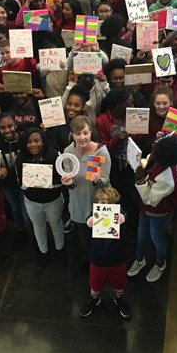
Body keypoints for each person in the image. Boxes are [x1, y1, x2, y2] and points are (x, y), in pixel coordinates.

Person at [128, 134, 177, 283]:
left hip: (160, 210)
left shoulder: (167, 179)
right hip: (146, 207)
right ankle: (140, 259)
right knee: (141, 235)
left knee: (156, 237)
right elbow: (149, 159)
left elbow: (151, 199)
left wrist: (140, 179)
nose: (153, 147)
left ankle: (160, 263)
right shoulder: (160, 156)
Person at [62, 115, 111, 269]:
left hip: (99, 204)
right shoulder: (68, 152)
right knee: (85, 237)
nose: (82, 137)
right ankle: (89, 260)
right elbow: (72, 183)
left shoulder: (101, 153)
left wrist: (97, 180)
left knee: (102, 237)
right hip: (79, 204)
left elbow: (106, 182)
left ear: (91, 132)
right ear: (72, 135)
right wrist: (69, 183)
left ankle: (102, 263)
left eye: (85, 133)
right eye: (78, 134)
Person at [79, 185, 132, 319]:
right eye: (102, 202)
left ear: (115, 203)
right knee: (95, 284)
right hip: (98, 258)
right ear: (98, 203)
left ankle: (119, 298)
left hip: (117, 258)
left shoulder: (120, 213)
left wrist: (123, 219)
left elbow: (125, 215)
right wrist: (89, 221)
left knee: (119, 284)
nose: (106, 205)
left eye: (109, 202)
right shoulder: (94, 213)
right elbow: (88, 220)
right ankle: (94, 298)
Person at [16, 127, 66, 270]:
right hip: (32, 201)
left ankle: (60, 250)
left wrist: (47, 182)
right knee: (38, 227)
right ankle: (43, 253)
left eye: (37, 141)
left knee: (56, 224)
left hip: (53, 200)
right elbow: (20, 184)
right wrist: (29, 181)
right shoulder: (21, 158)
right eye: (29, 142)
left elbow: (62, 180)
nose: (33, 145)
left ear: (43, 142)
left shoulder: (54, 155)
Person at [0, 113, 31, 241]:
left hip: (24, 183)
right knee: (15, 209)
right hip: (7, 184)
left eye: (10, 126)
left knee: (25, 212)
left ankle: (31, 233)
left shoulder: (24, 140)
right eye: (2, 128)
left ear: (15, 125)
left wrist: (8, 171)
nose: (7, 130)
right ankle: (20, 231)